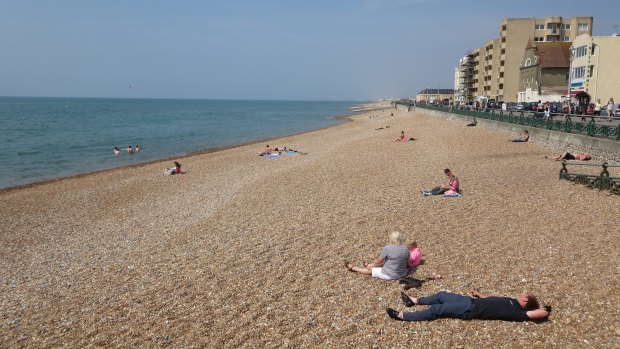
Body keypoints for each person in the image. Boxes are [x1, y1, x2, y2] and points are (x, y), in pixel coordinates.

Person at [386, 289, 551, 322]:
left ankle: (404, 316)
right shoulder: (512, 300)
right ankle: (414, 301)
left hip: (469, 310)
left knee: (437, 310)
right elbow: (491, 298)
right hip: (471, 301)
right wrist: (479, 294)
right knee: (442, 295)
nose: (522, 293)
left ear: (525, 302)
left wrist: (544, 310)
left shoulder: (517, 312)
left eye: (525, 295)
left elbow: (540, 314)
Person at [344, 231, 409, 281]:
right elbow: (407, 261)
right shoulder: (405, 248)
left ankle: (353, 268)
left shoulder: (388, 248)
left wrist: (372, 265)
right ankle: (368, 265)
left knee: (371, 270)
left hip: (391, 275)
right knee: (389, 260)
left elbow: (379, 261)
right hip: (403, 273)